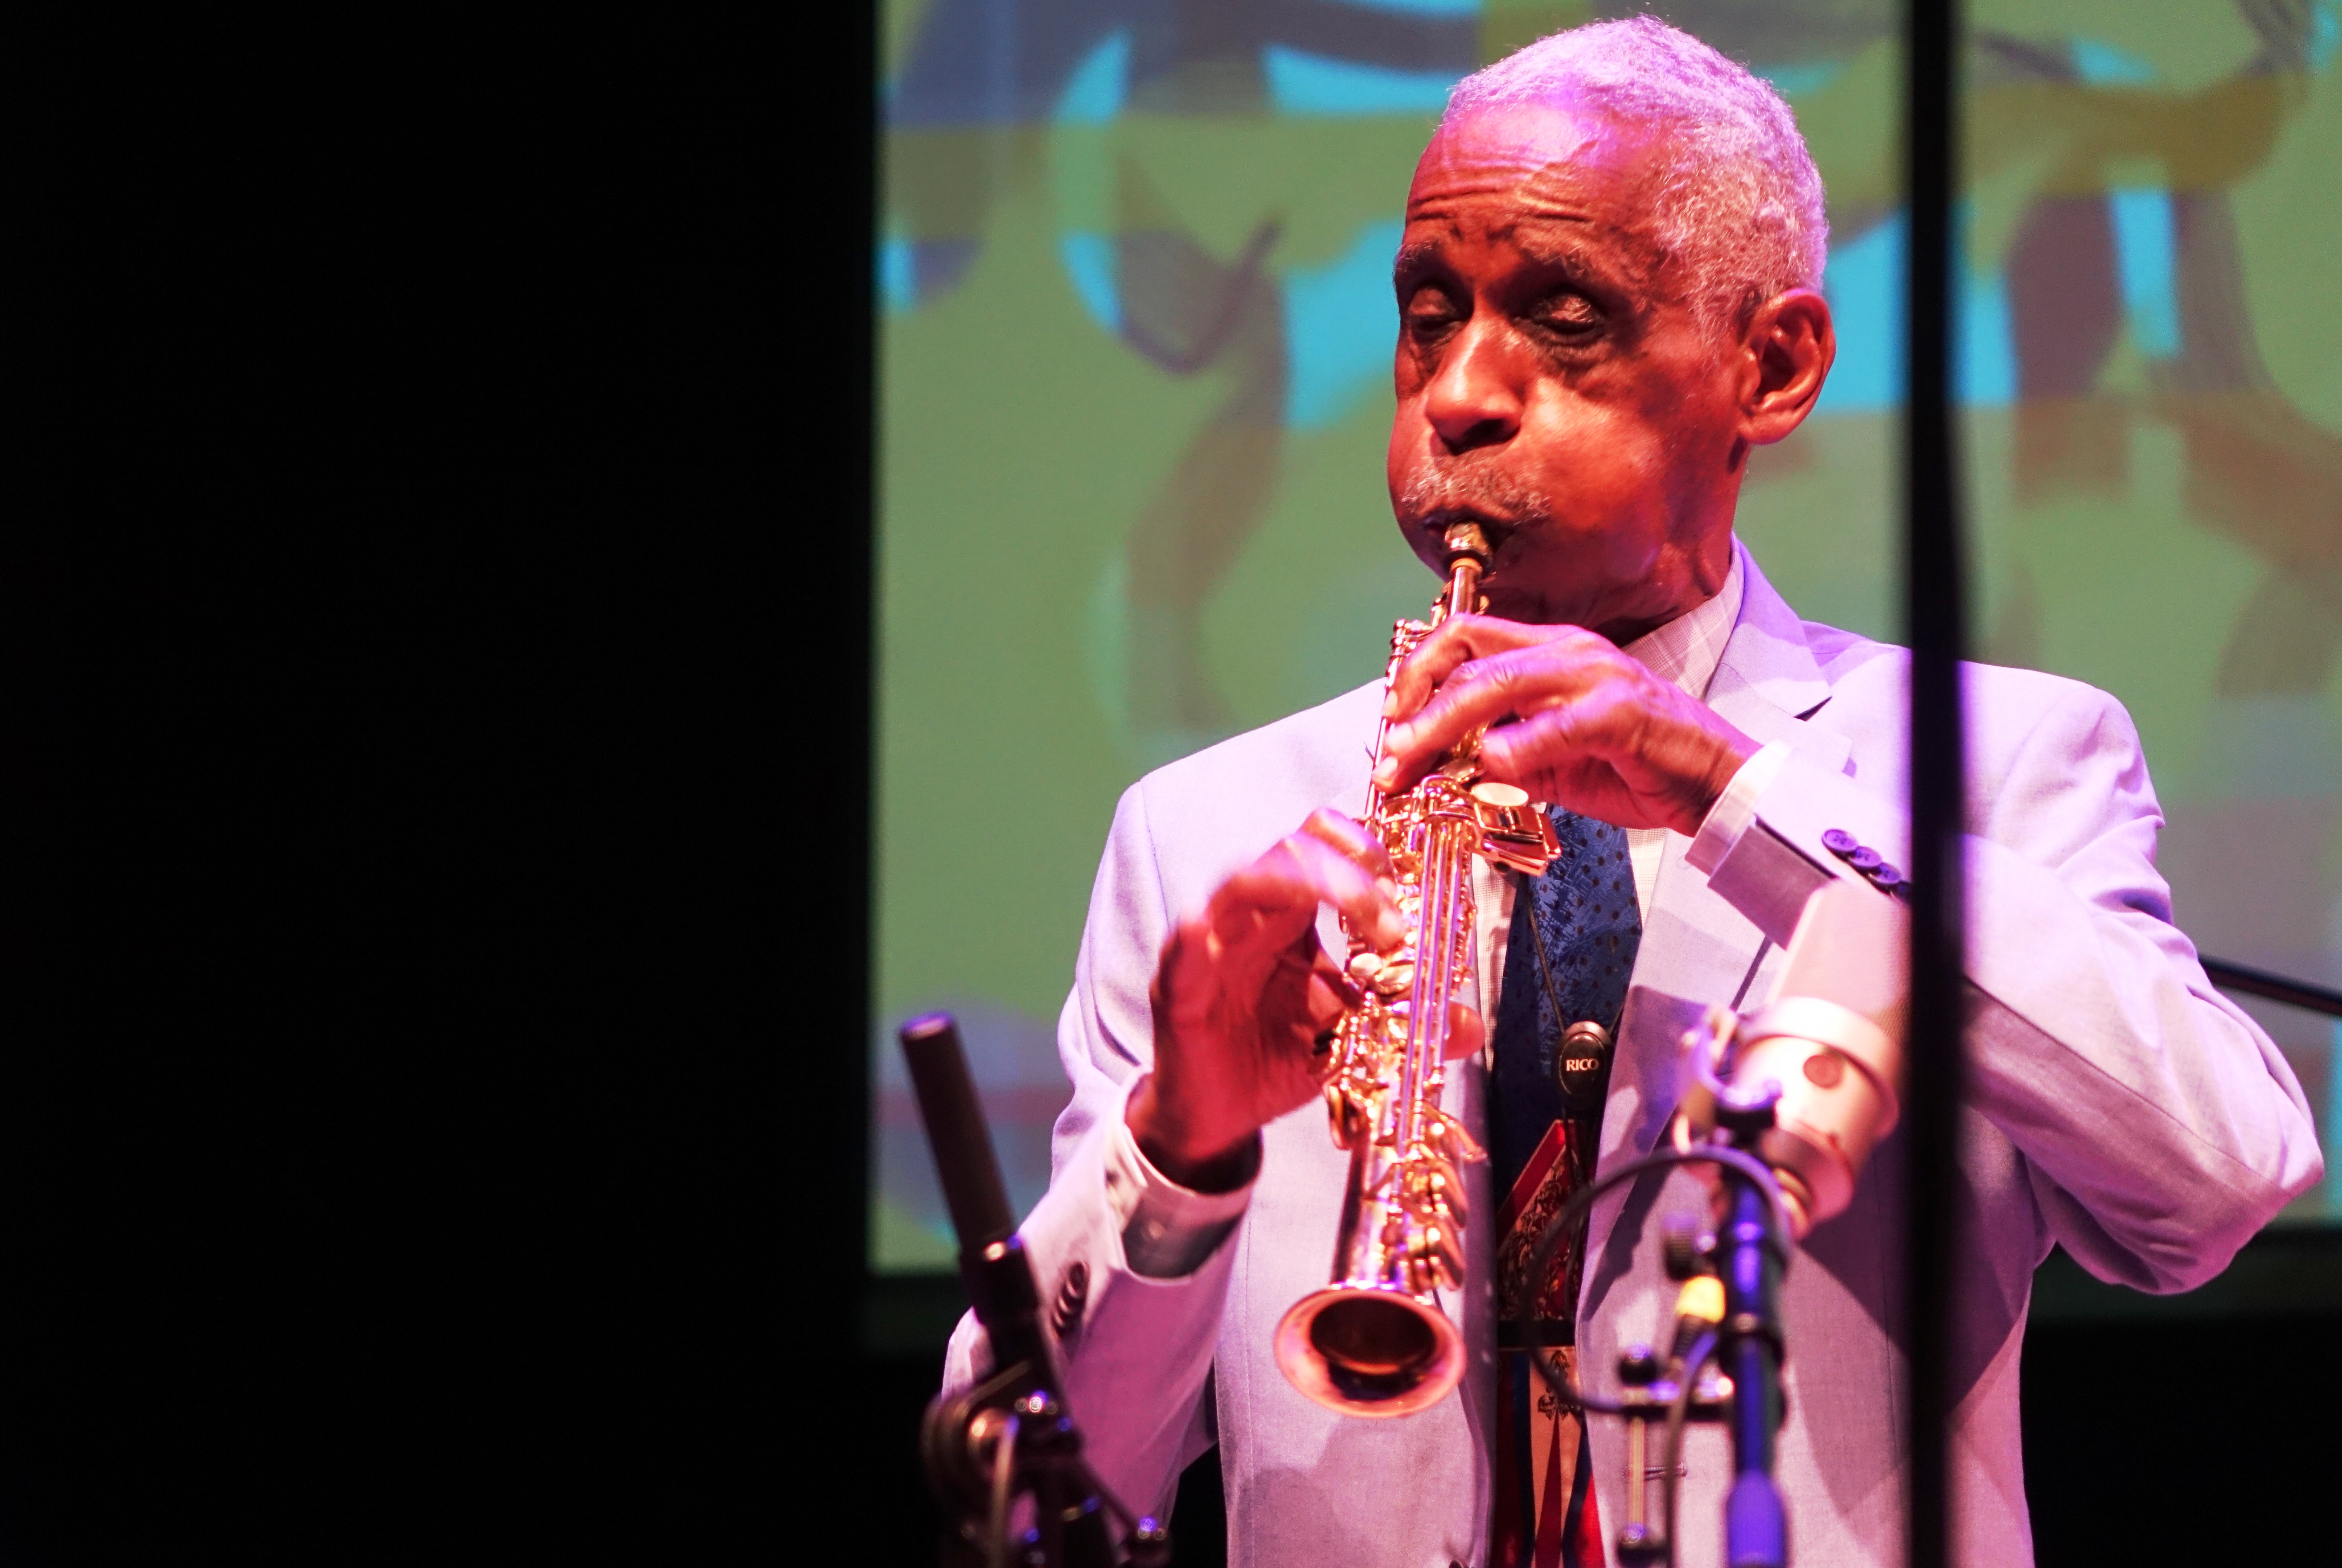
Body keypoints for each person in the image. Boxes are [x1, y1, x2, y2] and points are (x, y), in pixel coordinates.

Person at [943, 19, 2323, 1567]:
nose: (1460, 392)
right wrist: (1180, 1152)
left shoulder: (1994, 762)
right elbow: (1035, 1492)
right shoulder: (1205, 832)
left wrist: (1732, 790)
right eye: (1427, 313)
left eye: (1565, 316)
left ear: (1774, 365)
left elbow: (2214, 1188)